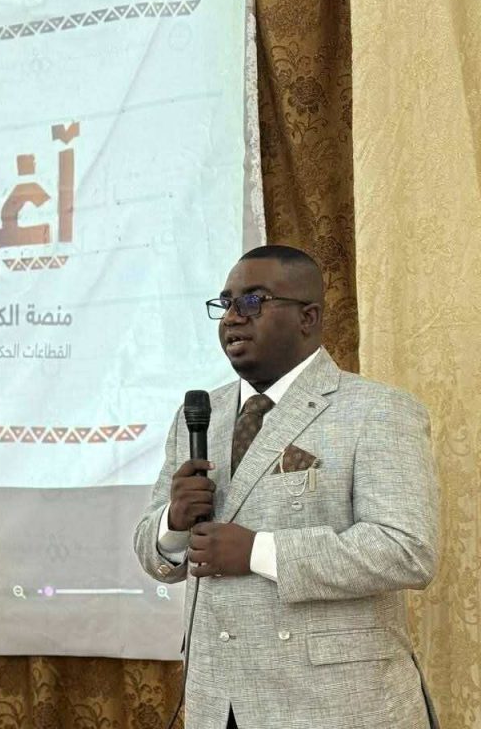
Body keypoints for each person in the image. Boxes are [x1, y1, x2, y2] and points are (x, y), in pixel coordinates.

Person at [134, 245, 439, 729]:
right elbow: (156, 557)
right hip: (219, 703)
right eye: (226, 303)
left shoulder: (377, 410)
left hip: (334, 708)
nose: (233, 317)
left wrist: (258, 551)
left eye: (253, 301)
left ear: (308, 317)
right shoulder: (200, 415)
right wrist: (172, 523)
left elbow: (407, 549)